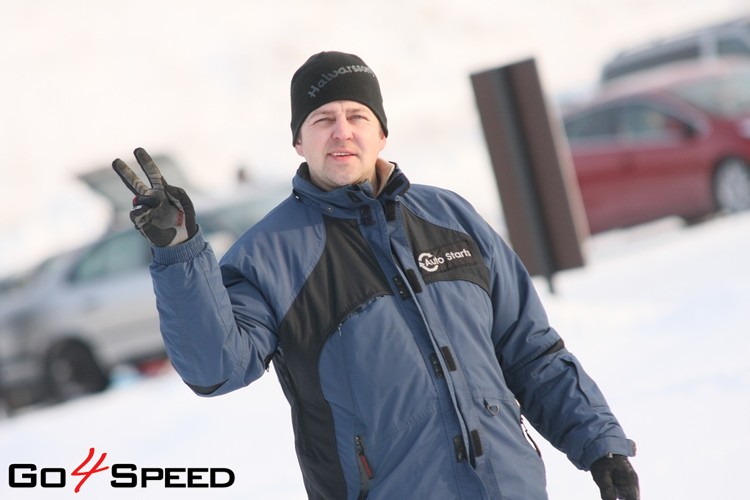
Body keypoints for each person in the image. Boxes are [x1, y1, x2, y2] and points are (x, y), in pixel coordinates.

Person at [112, 51, 639, 500]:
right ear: (299, 141)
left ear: (381, 132)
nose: (341, 131)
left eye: (357, 115)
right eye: (322, 119)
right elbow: (217, 368)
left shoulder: (450, 218)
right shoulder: (269, 255)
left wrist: (602, 446)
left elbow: (531, 351)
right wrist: (179, 253)